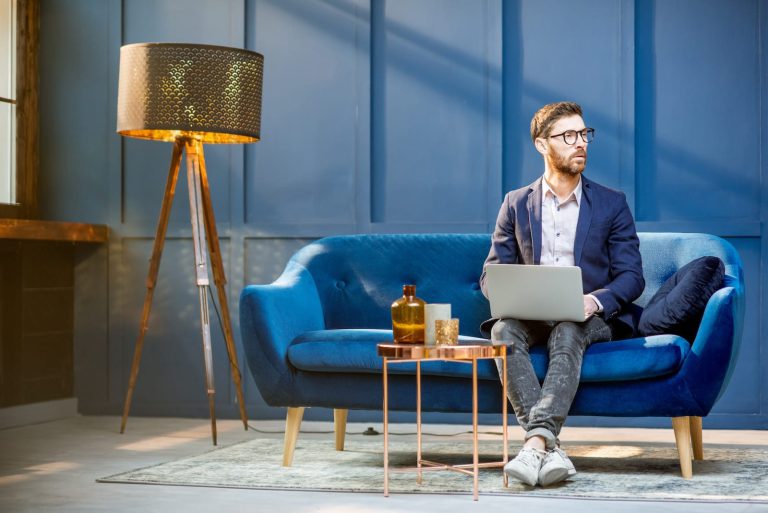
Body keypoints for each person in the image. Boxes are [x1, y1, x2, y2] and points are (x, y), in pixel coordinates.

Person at [479, 101, 644, 487]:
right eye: (568, 136)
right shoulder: (516, 203)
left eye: (584, 134)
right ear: (542, 144)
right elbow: (490, 273)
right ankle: (548, 449)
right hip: (532, 316)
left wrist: (594, 300)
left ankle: (534, 443)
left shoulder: (611, 203)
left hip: (589, 317)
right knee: (502, 331)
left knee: (568, 330)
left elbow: (632, 276)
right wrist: (510, 291)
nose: (580, 143)